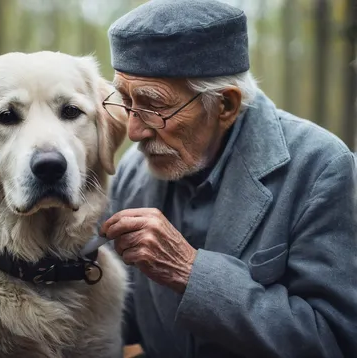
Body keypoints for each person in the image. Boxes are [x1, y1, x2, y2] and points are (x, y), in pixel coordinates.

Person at [97, 0, 357, 357]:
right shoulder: (133, 171)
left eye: (153, 105)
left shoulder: (320, 168)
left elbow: (334, 340)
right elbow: (119, 320)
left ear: (225, 106)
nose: (134, 131)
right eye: (125, 101)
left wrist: (191, 272)